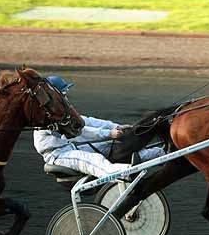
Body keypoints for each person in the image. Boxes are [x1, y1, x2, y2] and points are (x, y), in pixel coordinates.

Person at [33, 75, 164, 179]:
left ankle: (160, 153)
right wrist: (108, 133)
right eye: (63, 94)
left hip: (69, 149)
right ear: (54, 95)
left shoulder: (60, 111)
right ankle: (126, 172)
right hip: (57, 155)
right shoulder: (46, 116)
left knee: (113, 145)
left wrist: (116, 127)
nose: (66, 97)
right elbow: (79, 132)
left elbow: (88, 122)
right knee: (95, 159)